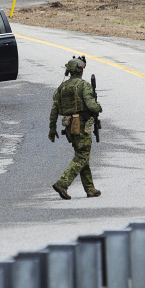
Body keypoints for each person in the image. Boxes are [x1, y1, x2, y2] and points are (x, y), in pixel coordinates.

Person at [48, 57, 102, 199]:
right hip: (82, 125)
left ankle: (90, 189)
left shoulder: (63, 87)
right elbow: (91, 106)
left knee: (82, 155)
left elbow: (54, 109)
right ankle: (62, 183)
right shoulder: (84, 86)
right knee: (82, 155)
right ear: (80, 70)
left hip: (70, 127)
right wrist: (99, 107)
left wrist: (52, 129)